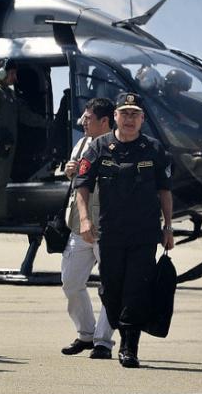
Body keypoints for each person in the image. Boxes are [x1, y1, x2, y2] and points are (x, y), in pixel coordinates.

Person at [75, 91, 174, 368]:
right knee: (111, 290)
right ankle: (122, 328)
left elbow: (165, 191)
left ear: (142, 119)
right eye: (124, 113)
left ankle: (129, 347)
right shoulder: (98, 148)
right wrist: (84, 220)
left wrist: (168, 227)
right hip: (110, 233)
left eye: (135, 114)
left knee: (136, 289)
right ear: (115, 117)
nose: (129, 119)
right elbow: (82, 186)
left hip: (144, 234)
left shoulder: (154, 150)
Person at [58, 97, 116, 359]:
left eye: (89, 118)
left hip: (108, 225)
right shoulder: (82, 143)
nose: (84, 122)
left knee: (111, 284)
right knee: (70, 281)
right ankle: (86, 333)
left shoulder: (118, 147)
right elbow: (75, 175)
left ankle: (103, 341)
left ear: (105, 121)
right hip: (80, 224)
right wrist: (70, 170)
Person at [0, 58, 48, 224]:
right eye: (12, 73)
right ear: (1, 73)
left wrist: (46, 123)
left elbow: (24, 115)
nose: (15, 77)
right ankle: (0, 217)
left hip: (2, 144)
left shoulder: (8, 93)